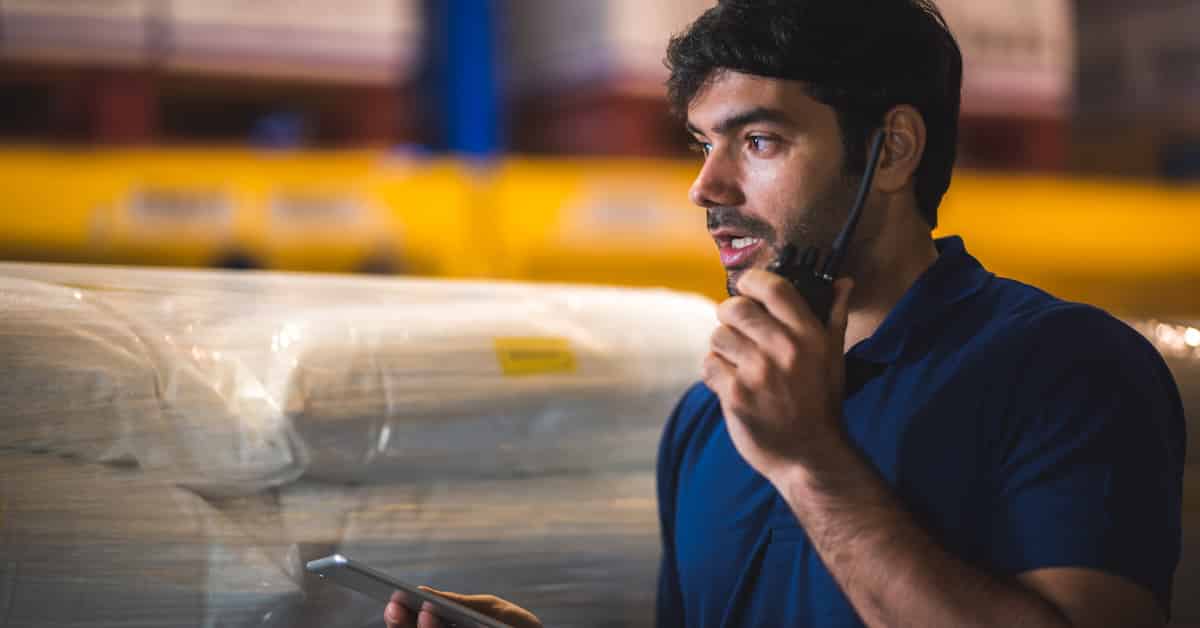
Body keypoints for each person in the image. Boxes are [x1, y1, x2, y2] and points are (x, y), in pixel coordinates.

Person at [387, 1, 1186, 626]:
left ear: (894, 150)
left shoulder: (1066, 367)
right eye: (702, 144)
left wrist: (809, 462)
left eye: (759, 142)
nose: (707, 188)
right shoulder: (708, 413)